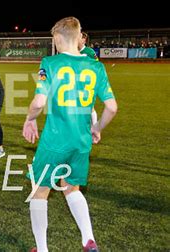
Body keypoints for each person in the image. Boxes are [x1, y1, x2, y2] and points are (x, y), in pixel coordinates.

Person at [23, 17, 118, 252]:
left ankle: (42, 249)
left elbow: (38, 102)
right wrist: (97, 128)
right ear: (79, 37)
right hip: (82, 141)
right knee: (70, 186)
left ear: (57, 39)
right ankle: (88, 239)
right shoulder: (96, 66)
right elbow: (112, 107)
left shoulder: (50, 62)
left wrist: (30, 119)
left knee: (39, 190)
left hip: (55, 140)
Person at [79, 32, 99, 125]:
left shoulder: (89, 52)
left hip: (88, 82)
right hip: (76, 82)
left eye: (80, 38)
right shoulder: (73, 51)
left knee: (90, 106)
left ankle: (94, 126)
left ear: (84, 40)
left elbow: (97, 65)